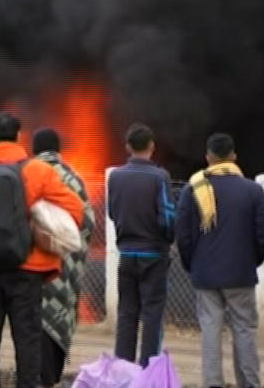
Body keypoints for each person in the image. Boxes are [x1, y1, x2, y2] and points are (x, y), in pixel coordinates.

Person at [0, 112, 84, 388]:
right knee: (27, 339)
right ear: (18, 137)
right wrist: (37, 230)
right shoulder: (37, 170)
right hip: (28, 269)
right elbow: (75, 212)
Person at [176, 133, 264, 388]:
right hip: (241, 273)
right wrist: (253, 260)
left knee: (210, 331)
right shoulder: (253, 190)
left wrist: (192, 264)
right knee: (244, 332)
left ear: (208, 158)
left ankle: (213, 383)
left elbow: (183, 235)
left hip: (206, 274)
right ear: (233, 157)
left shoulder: (192, 189)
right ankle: (249, 383)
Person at [106, 123, 174, 367]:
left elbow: (112, 212)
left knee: (127, 314)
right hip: (154, 254)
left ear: (127, 147)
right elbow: (167, 216)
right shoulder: (160, 177)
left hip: (126, 254)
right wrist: (167, 239)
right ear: (152, 147)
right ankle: (148, 372)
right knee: (152, 314)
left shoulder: (115, 176)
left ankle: (123, 370)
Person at [32, 128, 95, 388]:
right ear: (58, 150)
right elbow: (88, 222)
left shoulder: (26, 174)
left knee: (34, 322)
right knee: (58, 317)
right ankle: (52, 377)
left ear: (33, 150)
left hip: (32, 265)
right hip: (63, 264)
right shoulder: (73, 178)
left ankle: (37, 377)